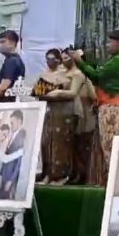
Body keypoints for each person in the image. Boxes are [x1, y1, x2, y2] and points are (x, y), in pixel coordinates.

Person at [72, 30, 119, 185]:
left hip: (113, 108)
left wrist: (79, 62)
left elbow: (97, 77)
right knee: (109, 146)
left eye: (111, 42)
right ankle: (112, 182)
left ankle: (117, 184)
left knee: (111, 147)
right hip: (113, 105)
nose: (108, 45)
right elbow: (99, 72)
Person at [53, 49, 97, 184]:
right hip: (63, 110)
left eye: (68, 57)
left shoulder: (81, 75)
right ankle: (72, 173)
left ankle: (82, 174)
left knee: (82, 144)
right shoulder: (61, 73)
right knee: (70, 144)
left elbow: (92, 96)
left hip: (82, 111)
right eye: (63, 58)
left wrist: (56, 92)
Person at [34, 49, 75, 185]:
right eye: (47, 59)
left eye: (52, 58)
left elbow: (70, 93)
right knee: (46, 144)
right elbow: (37, 93)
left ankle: (62, 176)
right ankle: (48, 175)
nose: (50, 61)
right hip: (48, 112)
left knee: (61, 144)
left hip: (63, 112)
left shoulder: (66, 74)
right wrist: (47, 94)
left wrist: (54, 93)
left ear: (59, 60)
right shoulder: (44, 74)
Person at [0, 110, 27, 200]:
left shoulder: (23, 136)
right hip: (4, 175)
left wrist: (11, 180)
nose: (11, 126)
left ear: (19, 121)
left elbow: (19, 162)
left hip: (11, 178)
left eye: (12, 123)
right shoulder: (12, 135)